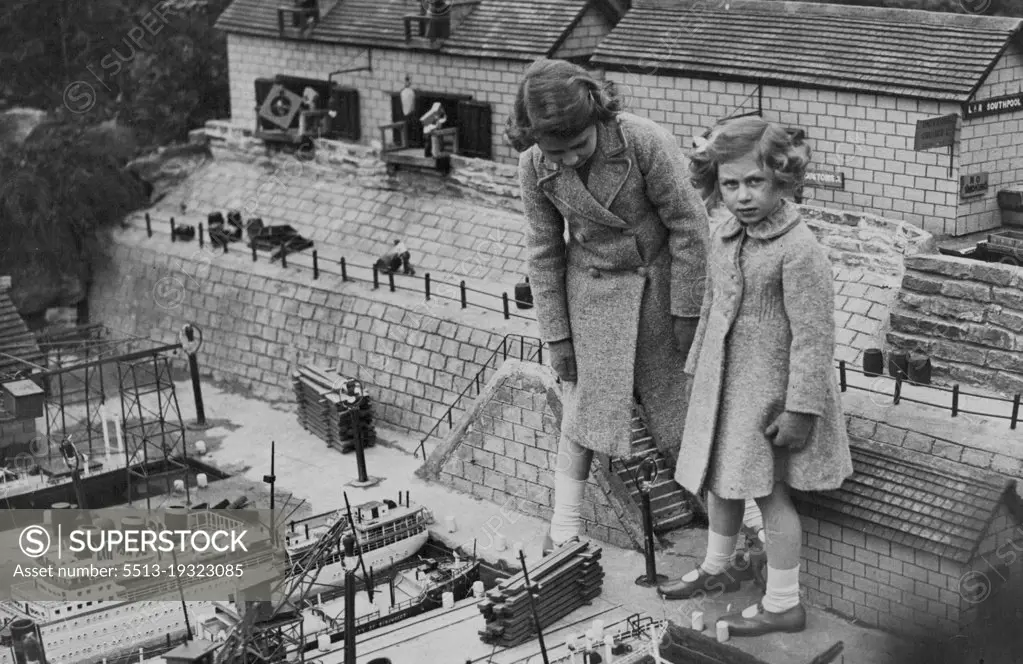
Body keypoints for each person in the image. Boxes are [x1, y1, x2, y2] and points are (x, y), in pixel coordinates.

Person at [657, 116, 854, 636]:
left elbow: (814, 338)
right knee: (720, 482)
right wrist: (697, 368)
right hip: (725, 388)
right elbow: (710, 306)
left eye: (755, 182)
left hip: (771, 398)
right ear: (715, 184)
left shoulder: (799, 248)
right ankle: (717, 567)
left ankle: (785, 602)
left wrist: (801, 409)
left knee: (770, 496)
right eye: (730, 184)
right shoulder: (724, 234)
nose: (742, 196)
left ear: (782, 178)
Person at [507, 58, 710, 556]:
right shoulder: (534, 167)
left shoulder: (642, 140)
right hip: (593, 299)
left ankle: (740, 527)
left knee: (685, 417)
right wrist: (557, 337)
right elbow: (544, 251)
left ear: (598, 116)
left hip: (661, 291)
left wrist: (687, 312)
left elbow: (690, 226)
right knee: (583, 419)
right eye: (556, 152)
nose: (570, 159)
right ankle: (564, 530)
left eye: (578, 145)